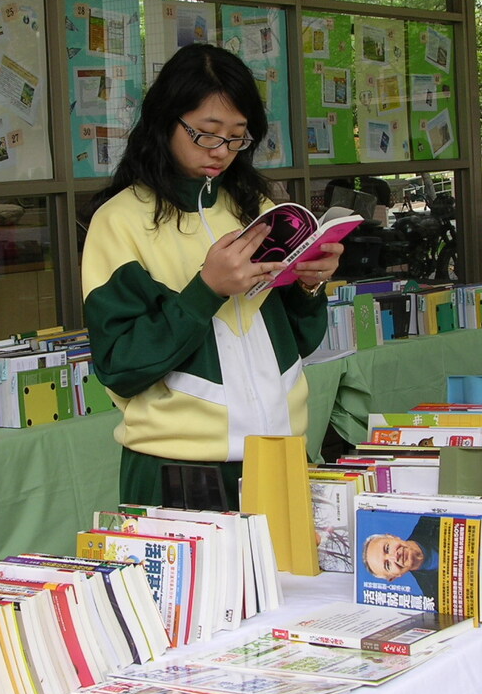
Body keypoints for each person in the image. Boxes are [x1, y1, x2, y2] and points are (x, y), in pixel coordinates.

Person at [81, 44, 341, 510]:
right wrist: (206, 291)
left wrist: (309, 285)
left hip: (282, 453)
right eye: (206, 134)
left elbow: (302, 341)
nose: (222, 152)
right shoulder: (118, 222)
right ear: (165, 121)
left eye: (237, 136)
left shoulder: (258, 207)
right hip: (176, 469)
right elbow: (120, 365)